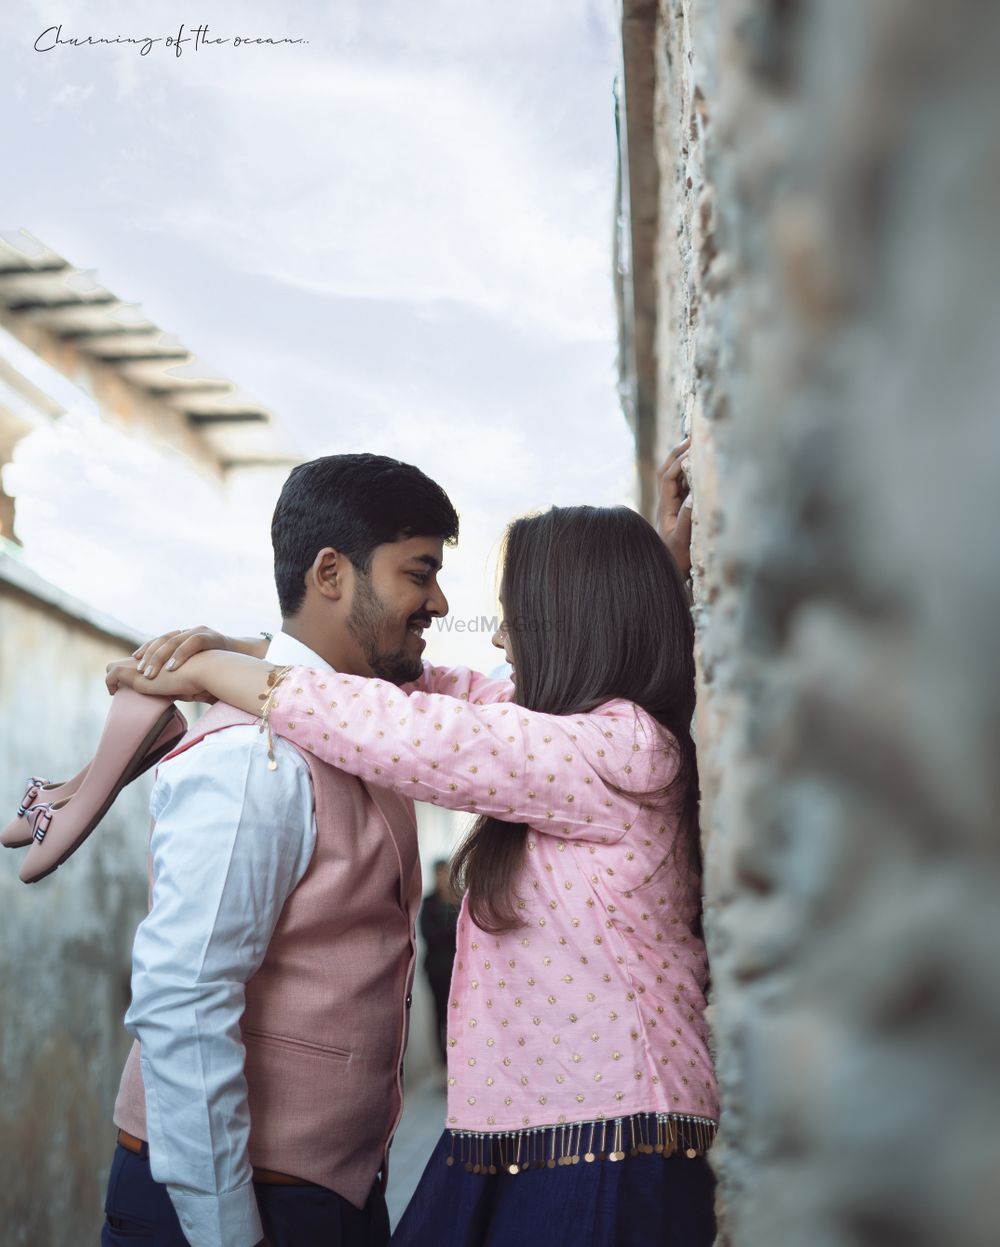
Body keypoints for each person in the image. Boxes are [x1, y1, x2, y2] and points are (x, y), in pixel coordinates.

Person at [109, 487, 719, 1247]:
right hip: (554, 1130)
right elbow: (428, 690)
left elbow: (408, 728)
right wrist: (245, 651)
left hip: (608, 1141)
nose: (497, 638)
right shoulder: (580, 738)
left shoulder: (617, 751)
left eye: (516, 616)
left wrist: (219, 669)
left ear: (576, 623)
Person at [101, 453, 460, 1247]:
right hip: (224, 1208)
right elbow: (183, 1001)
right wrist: (231, 1235)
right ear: (331, 573)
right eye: (419, 572)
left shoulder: (368, 720)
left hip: (332, 1198)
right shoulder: (248, 758)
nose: (438, 601)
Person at [419, 859, 460, 1067]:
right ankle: (442, 1064)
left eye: (445, 873)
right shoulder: (429, 902)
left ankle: (457, 1061)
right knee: (439, 1015)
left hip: (458, 971)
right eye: (439, 874)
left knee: (456, 1015)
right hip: (436, 970)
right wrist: (449, 932)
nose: (442, 878)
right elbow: (428, 935)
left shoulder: (459, 902)